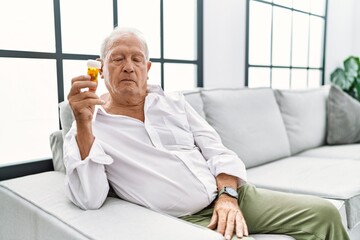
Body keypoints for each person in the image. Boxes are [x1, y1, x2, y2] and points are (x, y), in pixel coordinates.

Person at [64, 27, 349, 240]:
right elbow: (90, 198)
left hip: (231, 194)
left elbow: (216, 149)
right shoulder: (88, 126)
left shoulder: (173, 102)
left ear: (147, 68)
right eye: (117, 59)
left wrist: (227, 196)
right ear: (100, 69)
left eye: (137, 59)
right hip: (184, 220)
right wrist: (84, 124)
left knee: (324, 214)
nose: (128, 66)